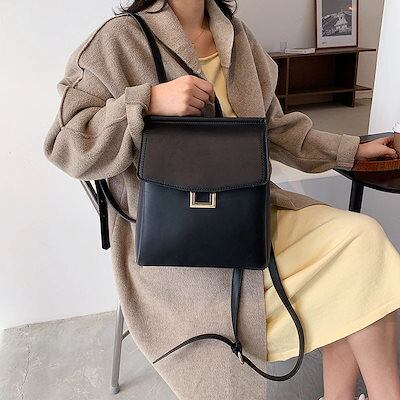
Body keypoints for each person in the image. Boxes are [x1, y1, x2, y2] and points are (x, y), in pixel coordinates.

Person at [43, 0, 400, 399]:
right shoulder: (118, 40)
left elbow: (275, 130)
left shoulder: (236, 37)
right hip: (180, 244)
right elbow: (66, 145)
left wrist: (350, 150)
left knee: (362, 241)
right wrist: (146, 103)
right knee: (348, 274)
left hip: (251, 213)